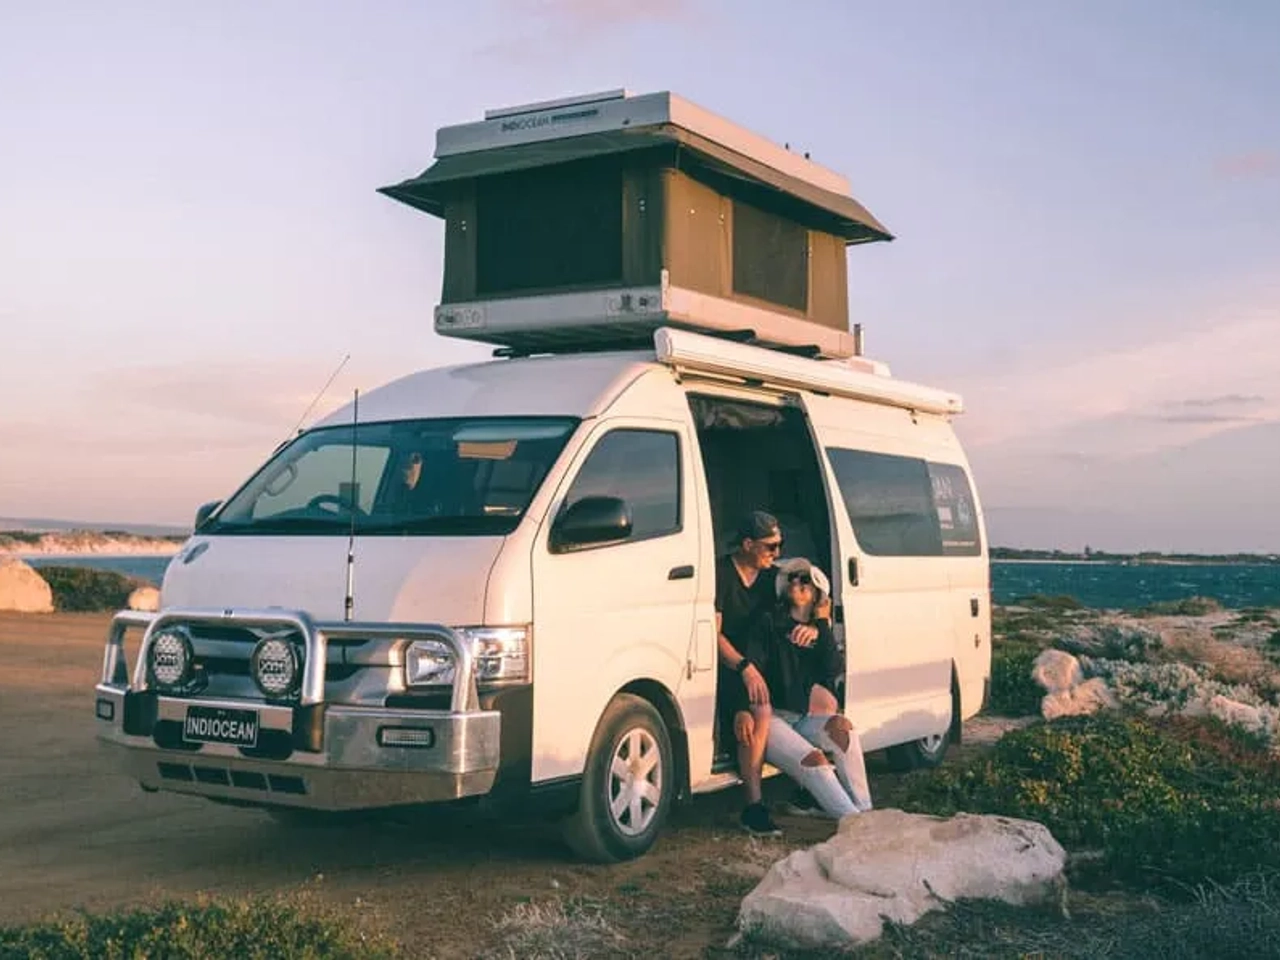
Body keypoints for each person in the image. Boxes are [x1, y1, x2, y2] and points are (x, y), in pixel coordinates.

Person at [748, 557, 873, 819]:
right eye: (792, 578)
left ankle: (865, 812)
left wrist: (821, 627)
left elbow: (833, 668)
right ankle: (853, 821)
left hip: (802, 717)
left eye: (805, 579)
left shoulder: (818, 631)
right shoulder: (769, 621)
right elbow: (754, 667)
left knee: (843, 729)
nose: (796, 582)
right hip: (771, 719)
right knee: (815, 761)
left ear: (817, 592)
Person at [715, 510, 788, 837]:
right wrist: (744, 668)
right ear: (747, 544)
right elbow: (714, 633)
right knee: (758, 710)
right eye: (770, 546)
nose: (776, 553)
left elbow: (815, 597)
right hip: (729, 665)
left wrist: (816, 627)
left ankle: (805, 785)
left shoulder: (774, 578)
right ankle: (754, 806)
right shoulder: (721, 574)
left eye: (780, 545)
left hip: (761, 665)